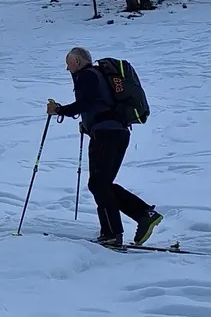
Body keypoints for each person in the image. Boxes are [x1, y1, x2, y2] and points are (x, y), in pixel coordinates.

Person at [48, 46, 161, 248]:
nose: (67, 68)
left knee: (99, 184)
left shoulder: (87, 75)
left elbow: (86, 102)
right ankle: (144, 215)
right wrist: (88, 124)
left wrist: (59, 110)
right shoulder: (99, 76)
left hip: (107, 134)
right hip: (117, 132)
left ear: (78, 61)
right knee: (102, 184)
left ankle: (112, 233)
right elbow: (98, 104)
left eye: (68, 63)